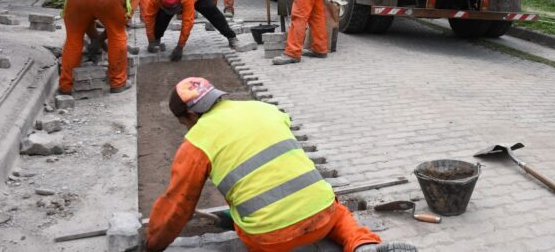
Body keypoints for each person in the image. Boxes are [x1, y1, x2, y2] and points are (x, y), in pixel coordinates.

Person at [145, 76, 417, 252]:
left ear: (190, 115)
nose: (185, 128)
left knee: (250, 217)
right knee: (338, 215)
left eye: (183, 122)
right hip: (320, 216)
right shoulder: (263, 108)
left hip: (270, 239)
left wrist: (152, 245)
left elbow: (177, 205)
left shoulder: (196, 142)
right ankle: (362, 246)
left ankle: (244, 221)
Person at [58, 0, 140, 94]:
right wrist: (99, 41)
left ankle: (66, 86)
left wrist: (97, 41)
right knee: (117, 35)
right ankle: (118, 83)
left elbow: (86, 22)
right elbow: (119, 25)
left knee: (73, 38)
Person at [143, 0, 239, 61]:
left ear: (180, 3)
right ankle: (156, 40)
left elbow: (187, 22)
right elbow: (149, 18)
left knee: (212, 13)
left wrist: (180, 46)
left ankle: (231, 37)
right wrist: (151, 39)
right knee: (161, 17)